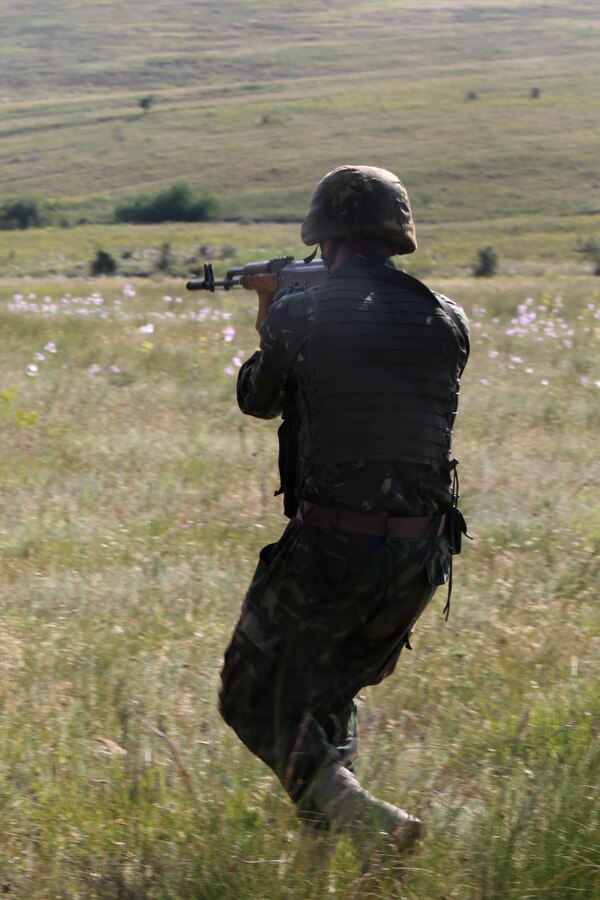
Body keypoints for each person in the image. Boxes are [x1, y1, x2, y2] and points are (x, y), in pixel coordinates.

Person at [218, 165, 470, 850]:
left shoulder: (302, 313)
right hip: (420, 559)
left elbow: (258, 397)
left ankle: (372, 825)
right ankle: (333, 855)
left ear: (323, 236)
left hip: (333, 549)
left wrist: (270, 308)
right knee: (324, 700)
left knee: (249, 694)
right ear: (396, 236)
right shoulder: (449, 319)